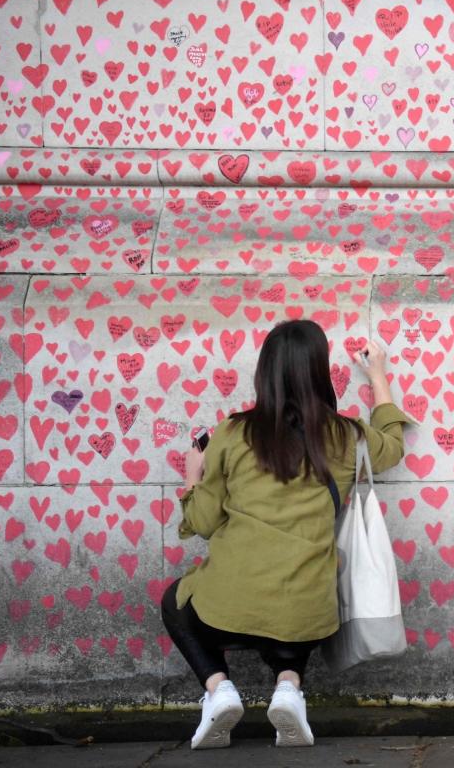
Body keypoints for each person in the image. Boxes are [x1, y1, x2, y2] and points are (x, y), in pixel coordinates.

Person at [160, 320, 411, 749]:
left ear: (264, 374)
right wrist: (377, 375)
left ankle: (219, 690)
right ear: (319, 373)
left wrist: (191, 478)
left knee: (175, 602)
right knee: (300, 597)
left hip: (229, 607)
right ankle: (289, 687)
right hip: (310, 616)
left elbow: (201, 523)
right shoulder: (345, 436)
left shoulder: (232, 433)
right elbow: (392, 442)